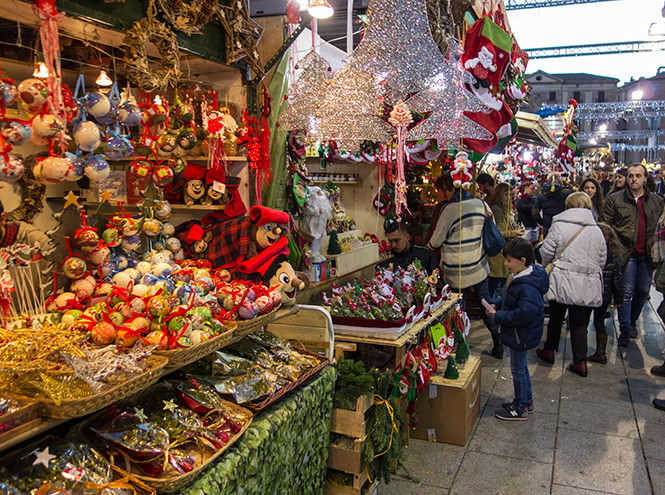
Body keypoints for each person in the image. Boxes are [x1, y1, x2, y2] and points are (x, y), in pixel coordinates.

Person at [536, 192, 606, 377]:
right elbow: (602, 259)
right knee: (579, 322)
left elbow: (546, 252)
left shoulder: (559, 226)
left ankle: (549, 350)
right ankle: (580, 361)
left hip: (562, 279)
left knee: (556, 316)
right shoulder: (596, 229)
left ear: (568, 206)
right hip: (585, 283)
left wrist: (545, 267)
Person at [428, 187, 503, 358]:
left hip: (456, 271)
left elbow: (437, 240)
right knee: (485, 303)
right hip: (478, 267)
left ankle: (461, 347)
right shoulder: (482, 205)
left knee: (458, 308)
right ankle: (497, 342)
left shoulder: (450, 209)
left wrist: (428, 248)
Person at [486, 238, 549, 421]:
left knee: (518, 370)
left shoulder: (528, 286)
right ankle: (526, 401)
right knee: (521, 368)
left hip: (521, 334)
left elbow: (523, 314)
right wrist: (497, 304)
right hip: (520, 334)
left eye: (509, 260)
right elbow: (509, 299)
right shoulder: (520, 275)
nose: (506, 264)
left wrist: (498, 317)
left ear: (522, 261)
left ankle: (520, 408)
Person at [602, 163, 664, 346]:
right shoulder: (615, 199)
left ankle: (632, 320)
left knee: (643, 291)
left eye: (638, 176)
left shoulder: (656, 201)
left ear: (645, 178)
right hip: (625, 252)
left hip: (647, 253)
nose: (633, 179)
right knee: (626, 291)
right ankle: (625, 328)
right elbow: (605, 226)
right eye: (631, 176)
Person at [587, 223, 623, 364]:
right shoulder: (614, 258)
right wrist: (618, 298)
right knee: (599, 321)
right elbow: (617, 281)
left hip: (589, 293)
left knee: (583, 320)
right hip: (604, 296)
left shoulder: (590, 255)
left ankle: (580, 352)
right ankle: (601, 352)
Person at [488, 183, 525, 299]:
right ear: (499, 195)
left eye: (510, 195)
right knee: (496, 285)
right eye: (505, 195)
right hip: (498, 255)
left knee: (500, 285)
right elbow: (498, 233)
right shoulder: (497, 210)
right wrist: (515, 233)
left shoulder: (503, 209)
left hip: (502, 254)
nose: (508, 198)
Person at [532, 172, 569, 237]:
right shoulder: (566, 192)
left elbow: (534, 212)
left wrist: (542, 222)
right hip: (563, 225)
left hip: (549, 226)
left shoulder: (542, 193)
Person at [423, 173, 454, 250]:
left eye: (438, 190)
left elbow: (433, 228)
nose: (437, 193)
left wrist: (427, 247)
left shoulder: (442, 207)